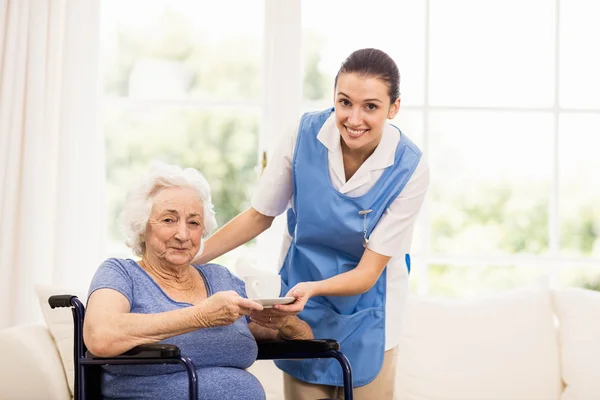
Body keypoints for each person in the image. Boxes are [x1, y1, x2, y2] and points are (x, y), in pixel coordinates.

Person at [195, 48, 430, 399]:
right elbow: (260, 215)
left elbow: (367, 274)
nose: (354, 118)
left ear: (393, 108)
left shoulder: (409, 169)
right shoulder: (302, 136)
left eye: (371, 106)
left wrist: (313, 289)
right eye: (345, 102)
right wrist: (189, 257)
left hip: (371, 307)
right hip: (299, 305)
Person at [83, 162, 313, 400]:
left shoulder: (220, 278)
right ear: (142, 227)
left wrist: (285, 322)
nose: (183, 235)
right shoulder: (121, 273)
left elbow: (303, 342)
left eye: (193, 223)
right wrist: (201, 316)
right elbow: (101, 337)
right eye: (169, 220)